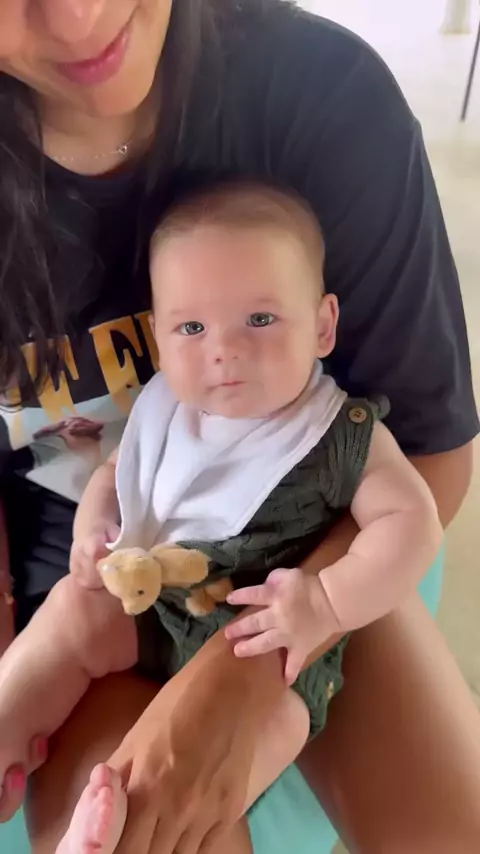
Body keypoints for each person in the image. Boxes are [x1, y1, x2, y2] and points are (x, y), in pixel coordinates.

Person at [0, 2, 479, 853]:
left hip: (305, 563)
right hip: (119, 584)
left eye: (261, 320)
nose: (77, 19)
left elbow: (430, 463)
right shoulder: (161, 414)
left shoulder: (321, 97)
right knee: (119, 811)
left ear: (321, 324)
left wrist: (261, 658)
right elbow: (110, 482)